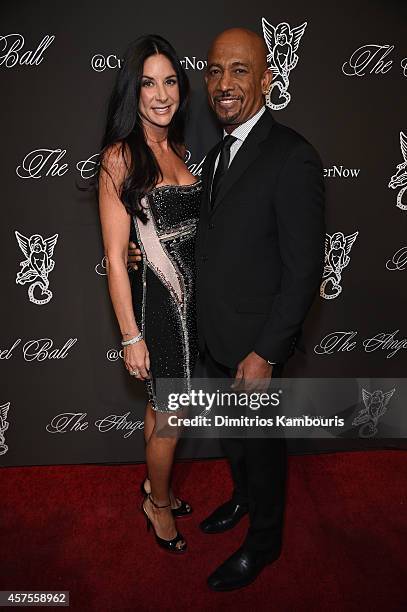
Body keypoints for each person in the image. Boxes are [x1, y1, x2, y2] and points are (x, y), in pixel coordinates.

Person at [193, 27, 326, 590]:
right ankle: (243, 498)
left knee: (264, 448)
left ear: (268, 79)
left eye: (240, 70)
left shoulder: (292, 155)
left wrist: (266, 353)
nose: (225, 83)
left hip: (255, 351)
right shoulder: (217, 151)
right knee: (234, 438)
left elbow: (303, 272)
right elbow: (218, 235)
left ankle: (266, 542)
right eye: (216, 71)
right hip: (217, 336)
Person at [98, 34, 201, 554]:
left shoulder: (179, 148)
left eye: (170, 81)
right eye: (148, 83)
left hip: (196, 308)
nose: (162, 94)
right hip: (159, 311)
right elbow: (117, 257)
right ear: (132, 92)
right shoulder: (120, 156)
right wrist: (130, 336)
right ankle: (158, 504)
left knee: (161, 412)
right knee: (173, 419)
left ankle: (153, 485)